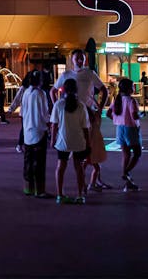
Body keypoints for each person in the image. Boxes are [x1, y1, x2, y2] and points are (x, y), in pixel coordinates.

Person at [54, 49, 111, 192]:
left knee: (88, 149)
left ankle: (88, 183)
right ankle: (85, 184)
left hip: (88, 116)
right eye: (77, 58)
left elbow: (104, 90)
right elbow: (52, 91)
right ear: (71, 59)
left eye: (82, 58)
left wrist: (99, 110)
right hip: (71, 115)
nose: (80, 60)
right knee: (73, 153)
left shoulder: (90, 74)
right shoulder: (66, 75)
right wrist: (59, 107)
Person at [49, 76, 91, 205]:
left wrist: (52, 139)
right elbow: (85, 127)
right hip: (78, 141)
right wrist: (88, 142)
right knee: (79, 168)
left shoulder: (59, 104)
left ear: (63, 90)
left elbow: (54, 125)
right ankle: (79, 195)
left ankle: (60, 195)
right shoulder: (81, 106)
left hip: (63, 140)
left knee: (61, 167)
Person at [18, 72, 53, 198]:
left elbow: (22, 113)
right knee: (39, 162)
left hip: (27, 131)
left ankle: (28, 187)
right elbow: (44, 114)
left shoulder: (26, 93)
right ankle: (39, 190)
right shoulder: (41, 94)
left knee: (28, 160)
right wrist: (50, 123)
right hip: (38, 131)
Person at [109, 77, 143, 191]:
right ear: (129, 89)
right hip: (131, 129)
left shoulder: (117, 100)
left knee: (126, 155)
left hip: (120, 129)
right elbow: (134, 115)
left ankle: (128, 181)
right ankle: (126, 172)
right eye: (132, 86)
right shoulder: (131, 100)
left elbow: (109, 113)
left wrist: (117, 119)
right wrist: (142, 115)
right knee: (137, 153)